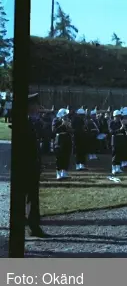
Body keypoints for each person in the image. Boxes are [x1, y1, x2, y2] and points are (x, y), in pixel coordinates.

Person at [25, 93, 49, 237]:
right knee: (31, 197)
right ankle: (32, 226)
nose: (39, 107)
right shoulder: (27, 122)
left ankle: (33, 226)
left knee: (32, 197)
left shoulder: (33, 122)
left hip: (32, 164)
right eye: (36, 104)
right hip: (28, 165)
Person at [52, 108, 73, 180]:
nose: (66, 116)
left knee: (66, 156)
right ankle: (58, 173)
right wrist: (62, 124)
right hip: (59, 141)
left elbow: (71, 131)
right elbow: (54, 130)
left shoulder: (68, 120)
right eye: (65, 115)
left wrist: (69, 126)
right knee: (59, 157)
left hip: (67, 140)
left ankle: (64, 172)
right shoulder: (56, 120)